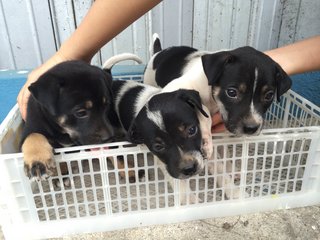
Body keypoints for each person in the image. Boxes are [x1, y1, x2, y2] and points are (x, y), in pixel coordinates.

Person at [17, 0, 320, 132]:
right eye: (233, 93)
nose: (253, 118)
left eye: (266, 96)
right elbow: (164, 98)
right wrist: (67, 54)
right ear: (214, 77)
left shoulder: (226, 74)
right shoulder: (203, 74)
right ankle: (155, 51)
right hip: (161, 67)